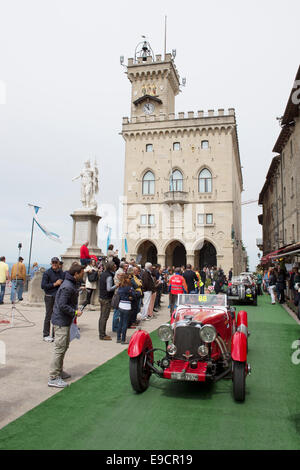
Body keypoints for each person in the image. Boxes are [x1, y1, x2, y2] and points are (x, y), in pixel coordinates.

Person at [48, 263, 85, 388]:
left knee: (63, 347)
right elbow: (62, 305)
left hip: (65, 321)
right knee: (59, 348)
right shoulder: (67, 286)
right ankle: (53, 377)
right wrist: (75, 312)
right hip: (61, 321)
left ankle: (59, 370)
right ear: (76, 274)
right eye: (82, 273)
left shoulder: (70, 284)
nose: (83, 275)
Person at [41, 257, 65, 342]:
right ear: (51, 263)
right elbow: (43, 286)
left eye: (56, 262)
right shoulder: (47, 273)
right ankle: (46, 334)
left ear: (58, 264)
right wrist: (55, 284)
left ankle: (55, 334)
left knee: (57, 316)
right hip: (49, 296)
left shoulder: (61, 273)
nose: (54, 264)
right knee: (48, 315)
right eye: (53, 262)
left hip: (58, 297)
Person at [98, 262, 117, 340]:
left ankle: (101, 333)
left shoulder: (103, 274)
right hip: (106, 298)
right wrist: (117, 285)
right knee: (104, 317)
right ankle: (102, 335)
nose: (115, 267)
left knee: (102, 316)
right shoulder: (109, 276)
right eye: (114, 266)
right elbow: (109, 289)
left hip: (102, 297)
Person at [116, 274, 136, 344]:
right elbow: (134, 295)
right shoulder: (129, 287)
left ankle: (118, 337)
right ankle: (123, 339)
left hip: (121, 305)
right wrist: (130, 297)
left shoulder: (120, 287)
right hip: (127, 306)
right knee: (125, 323)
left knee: (120, 322)